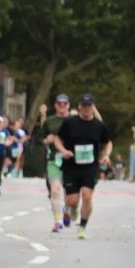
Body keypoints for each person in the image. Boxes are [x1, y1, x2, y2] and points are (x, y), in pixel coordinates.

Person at [54, 93, 112, 239]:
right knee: (72, 201)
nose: (86, 109)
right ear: (80, 107)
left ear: (93, 107)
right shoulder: (70, 122)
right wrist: (63, 151)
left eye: (89, 106)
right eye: (84, 106)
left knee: (87, 195)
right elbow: (57, 139)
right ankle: (71, 209)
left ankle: (83, 226)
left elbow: (108, 142)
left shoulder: (99, 126)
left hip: (90, 167)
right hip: (71, 166)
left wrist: (106, 155)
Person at [38, 95, 70, 231]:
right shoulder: (50, 121)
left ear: (68, 105)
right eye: (59, 104)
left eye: (64, 103)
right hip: (54, 160)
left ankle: (67, 211)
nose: (62, 106)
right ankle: (58, 221)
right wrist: (46, 140)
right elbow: (40, 137)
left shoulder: (74, 120)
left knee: (70, 196)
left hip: (71, 160)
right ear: (55, 105)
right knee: (55, 190)